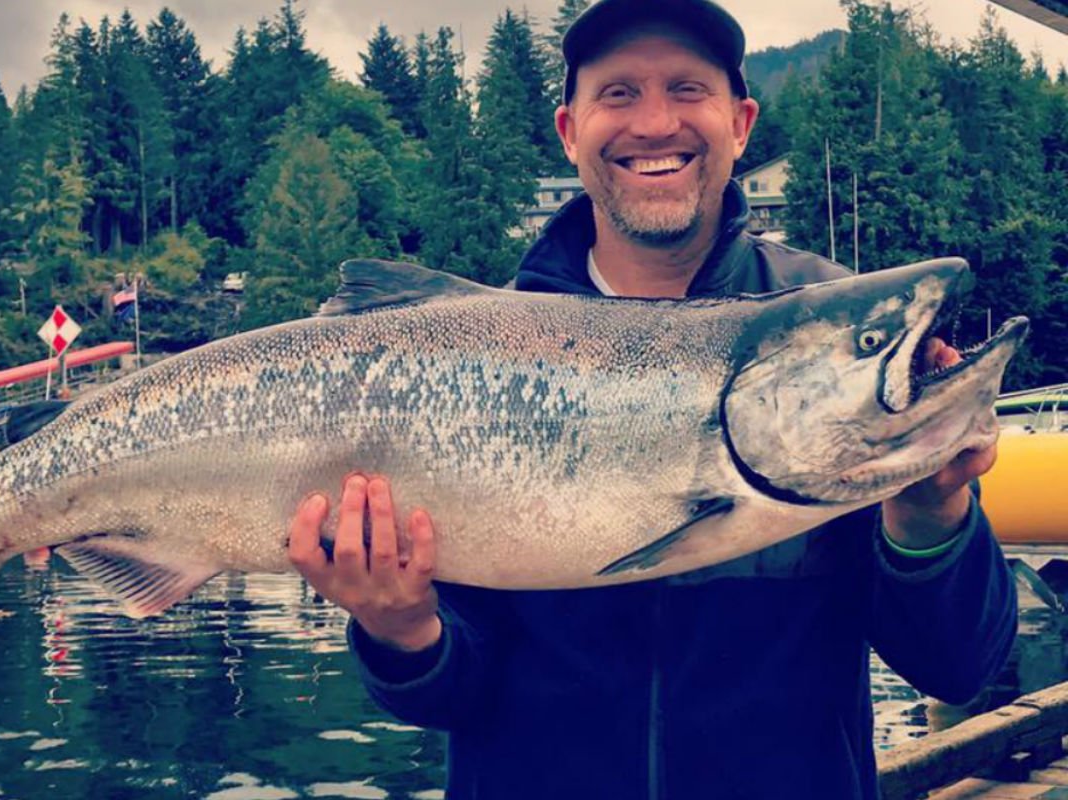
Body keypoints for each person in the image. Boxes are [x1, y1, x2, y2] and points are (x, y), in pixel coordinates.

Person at [286, 0, 1017, 797]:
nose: (656, 122)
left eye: (687, 88)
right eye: (619, 93)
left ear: (741, 122)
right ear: (570, 131)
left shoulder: (828, 335)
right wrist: (401, 631)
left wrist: (925, 516)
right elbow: (460, 692)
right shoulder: (475, 355)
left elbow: (957, 668)